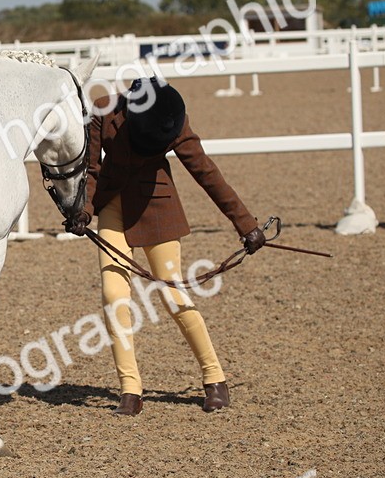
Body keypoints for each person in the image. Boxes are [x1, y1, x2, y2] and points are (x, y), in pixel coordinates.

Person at [65, 76, 265, 416]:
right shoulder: (103, 110)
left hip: (157, 206)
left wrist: (247, 225)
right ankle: (130, 390)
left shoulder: (172, 116)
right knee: (114, 296)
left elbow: (205, 171)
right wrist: (83, 211)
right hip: (112, 206)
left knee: (173, 296)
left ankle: (215, 379)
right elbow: (93, 169)